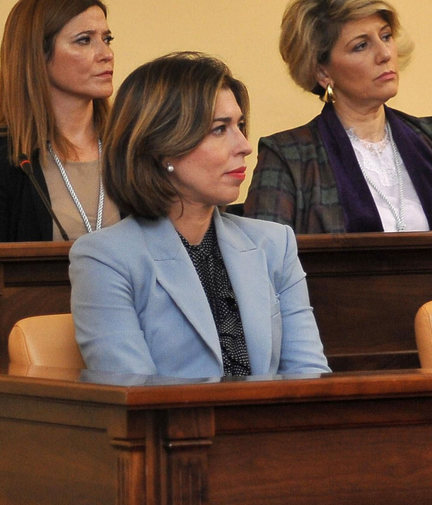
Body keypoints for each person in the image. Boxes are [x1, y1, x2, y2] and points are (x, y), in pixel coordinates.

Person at [70, 53, 330, 378]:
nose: (245, 146)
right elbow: (136, 398)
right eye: (220, 129)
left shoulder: (274, 244)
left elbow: (310, 377)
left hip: (273, 426)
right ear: (162, 146)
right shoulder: (105, 258)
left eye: (241, 126)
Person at [244, 0, 432, 233]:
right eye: (361, 45)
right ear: (322, 72)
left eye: (385, 36)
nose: (385, 53)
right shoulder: (288, 157)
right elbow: (264, 261)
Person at [0, 0, 121, 241]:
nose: (106, 54)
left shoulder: (131, 148)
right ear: (37, 54)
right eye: (84, 40)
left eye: (106, 39)